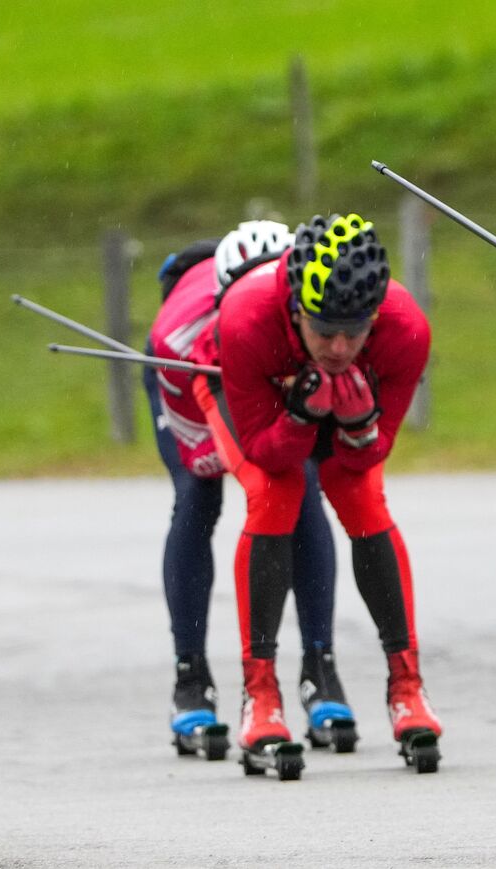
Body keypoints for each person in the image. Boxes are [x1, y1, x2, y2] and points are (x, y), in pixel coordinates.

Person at [188, 213, 442, 766]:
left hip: (334, 408)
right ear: (298, 310)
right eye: (325, 331)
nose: (340, 347)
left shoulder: (405, 330)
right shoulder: (247, 318)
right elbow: (264, 452)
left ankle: (407, 688)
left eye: (356, 331)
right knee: (275, 496)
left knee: (364, 499)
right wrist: (302, 415)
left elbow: (368, 456)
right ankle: (261, 696)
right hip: (249, 398)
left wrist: (357, 425)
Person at [144, 221, 355, 750]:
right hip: (194, 378)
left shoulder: (306, 319)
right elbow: (204, 452)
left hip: (270, 366)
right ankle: (190, 680)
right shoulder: (180, 337)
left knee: (299, 486)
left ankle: (319, 670)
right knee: (198, 496)